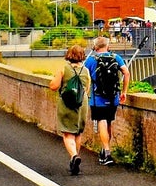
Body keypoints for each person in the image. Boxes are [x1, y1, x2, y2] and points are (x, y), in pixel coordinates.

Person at [84, 35, 129, 166]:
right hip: (113, 97)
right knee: (108, 122)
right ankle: (105, 150)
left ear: (95, 47)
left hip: (98, 98)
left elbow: (84, 77)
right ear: (108, 46)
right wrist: (124, 92)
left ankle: (107, 152)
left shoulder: (91, 60)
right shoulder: (116, 58)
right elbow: (126, 73)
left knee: (101, 122)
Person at [48, 43, 89, 175]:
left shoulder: (64, 69)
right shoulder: (86, 71)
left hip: (67, 103)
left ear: (69, 55)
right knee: (77, 132)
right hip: (81, 103)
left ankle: (73, 156)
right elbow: (86, 89)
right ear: (82, 56)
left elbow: (54, 86)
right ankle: (74, 160)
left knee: (67, 133)